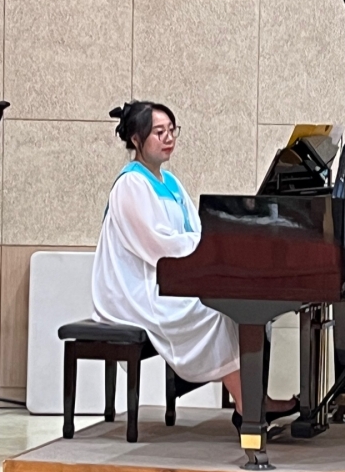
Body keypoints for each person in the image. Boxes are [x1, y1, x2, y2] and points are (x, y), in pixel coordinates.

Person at [91, 100, 297, 430]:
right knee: (216, 311)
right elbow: (156, 244)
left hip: (166, 278)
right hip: (137, 289)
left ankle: (252, 400)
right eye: (159, 132)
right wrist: (206, 248)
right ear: (136, 139)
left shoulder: (170, 182)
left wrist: (216, 244)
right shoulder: (130, 184)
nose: (168, 138)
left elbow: (196, 229)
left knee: (238, 306)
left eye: (172, 130)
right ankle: (248, 405)